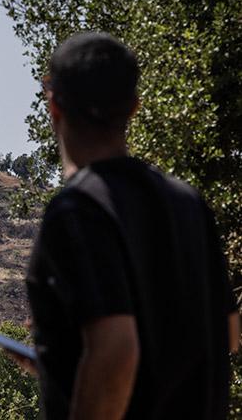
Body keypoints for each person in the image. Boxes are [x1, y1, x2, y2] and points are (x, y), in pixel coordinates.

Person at [24, 32, 239, 418]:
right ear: (134, 107)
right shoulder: (188, 201)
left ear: (53, 105)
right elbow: (230, 333)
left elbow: (116, 352)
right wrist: (64, 364)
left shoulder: (78, 210)